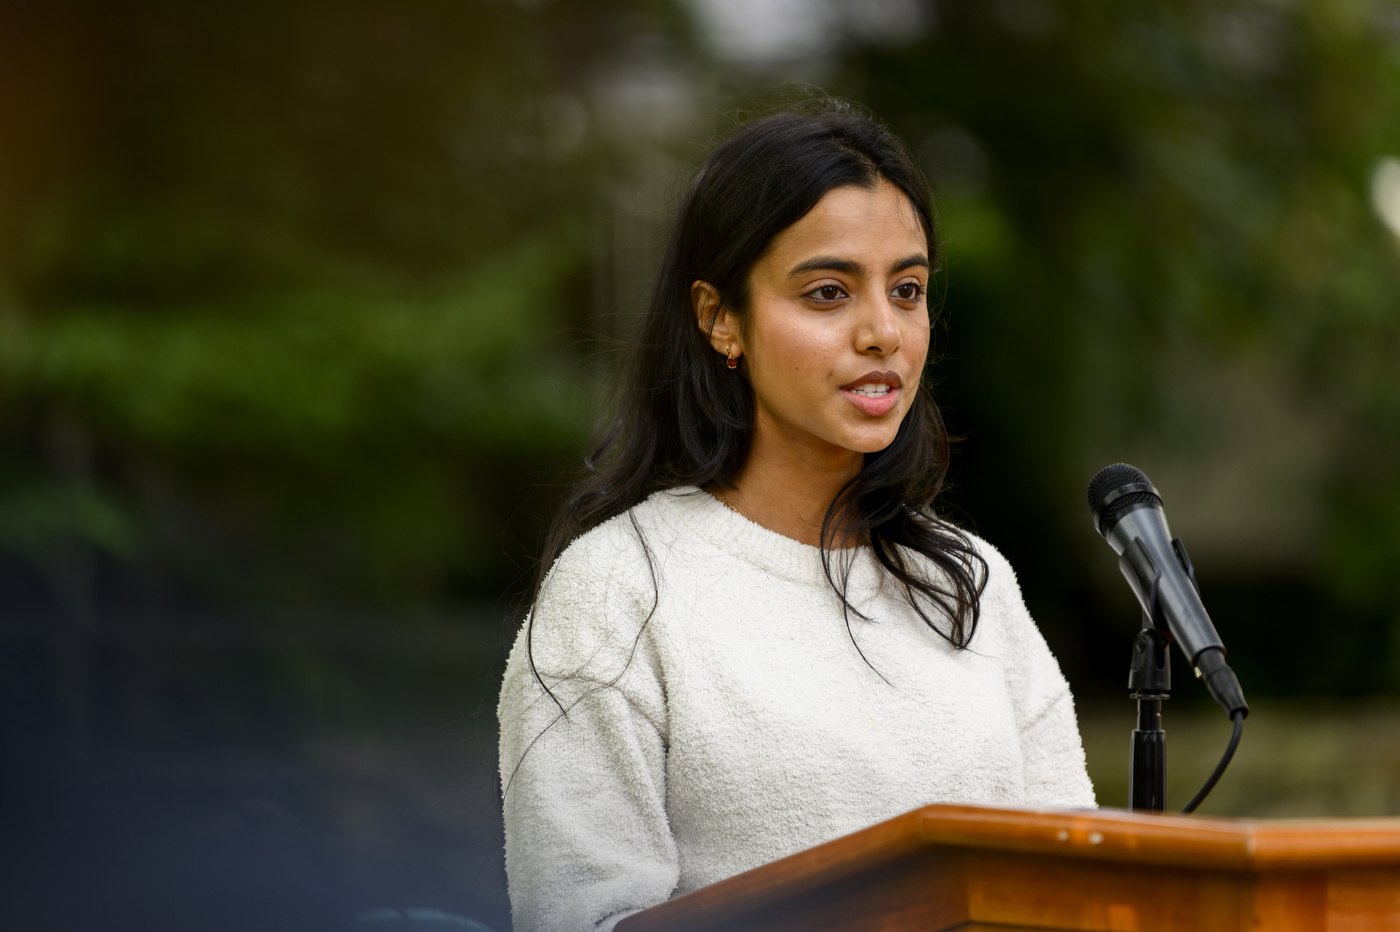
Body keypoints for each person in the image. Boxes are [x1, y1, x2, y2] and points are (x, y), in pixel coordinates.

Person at [496, 99, 1096, 932]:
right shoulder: (619, 591)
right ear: (720, 318)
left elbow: (1078, 891)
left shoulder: (972, 581)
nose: (884, 332)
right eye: (827, 292)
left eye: (909, 289)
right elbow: (580, 917)